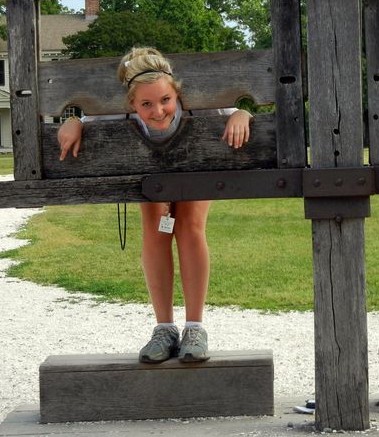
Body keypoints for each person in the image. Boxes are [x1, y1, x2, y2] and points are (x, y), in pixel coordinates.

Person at [57, 46, 252, 364]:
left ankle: (194, 327)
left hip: (194, 168)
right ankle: (164, 329)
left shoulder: (198, 106)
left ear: (177, 94)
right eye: (146, 104)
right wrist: (74, 122)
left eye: (165, 100)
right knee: (156, 231)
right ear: (131, 104)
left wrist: (244, 113)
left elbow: (238, 113)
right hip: (152, 175)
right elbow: (87, 115)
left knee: (189, 227)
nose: (158, 110)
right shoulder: (119, 112)